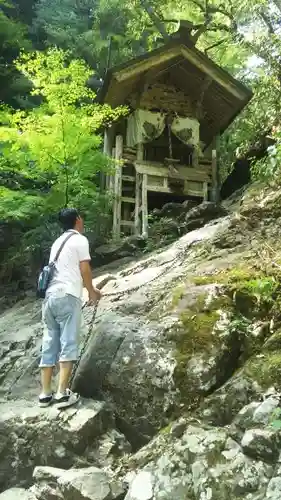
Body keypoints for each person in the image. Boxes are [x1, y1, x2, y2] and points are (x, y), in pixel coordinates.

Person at [39, 208, 101, 409]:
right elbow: (84, 268)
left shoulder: (57, 242)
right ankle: (62, 393)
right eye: (81, 218)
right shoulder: (80, 240)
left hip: (50, 297)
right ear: (77, 220)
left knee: (49, 343)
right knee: (68, 342)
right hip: (68, 295)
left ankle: (45, 393)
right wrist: (91, 291)